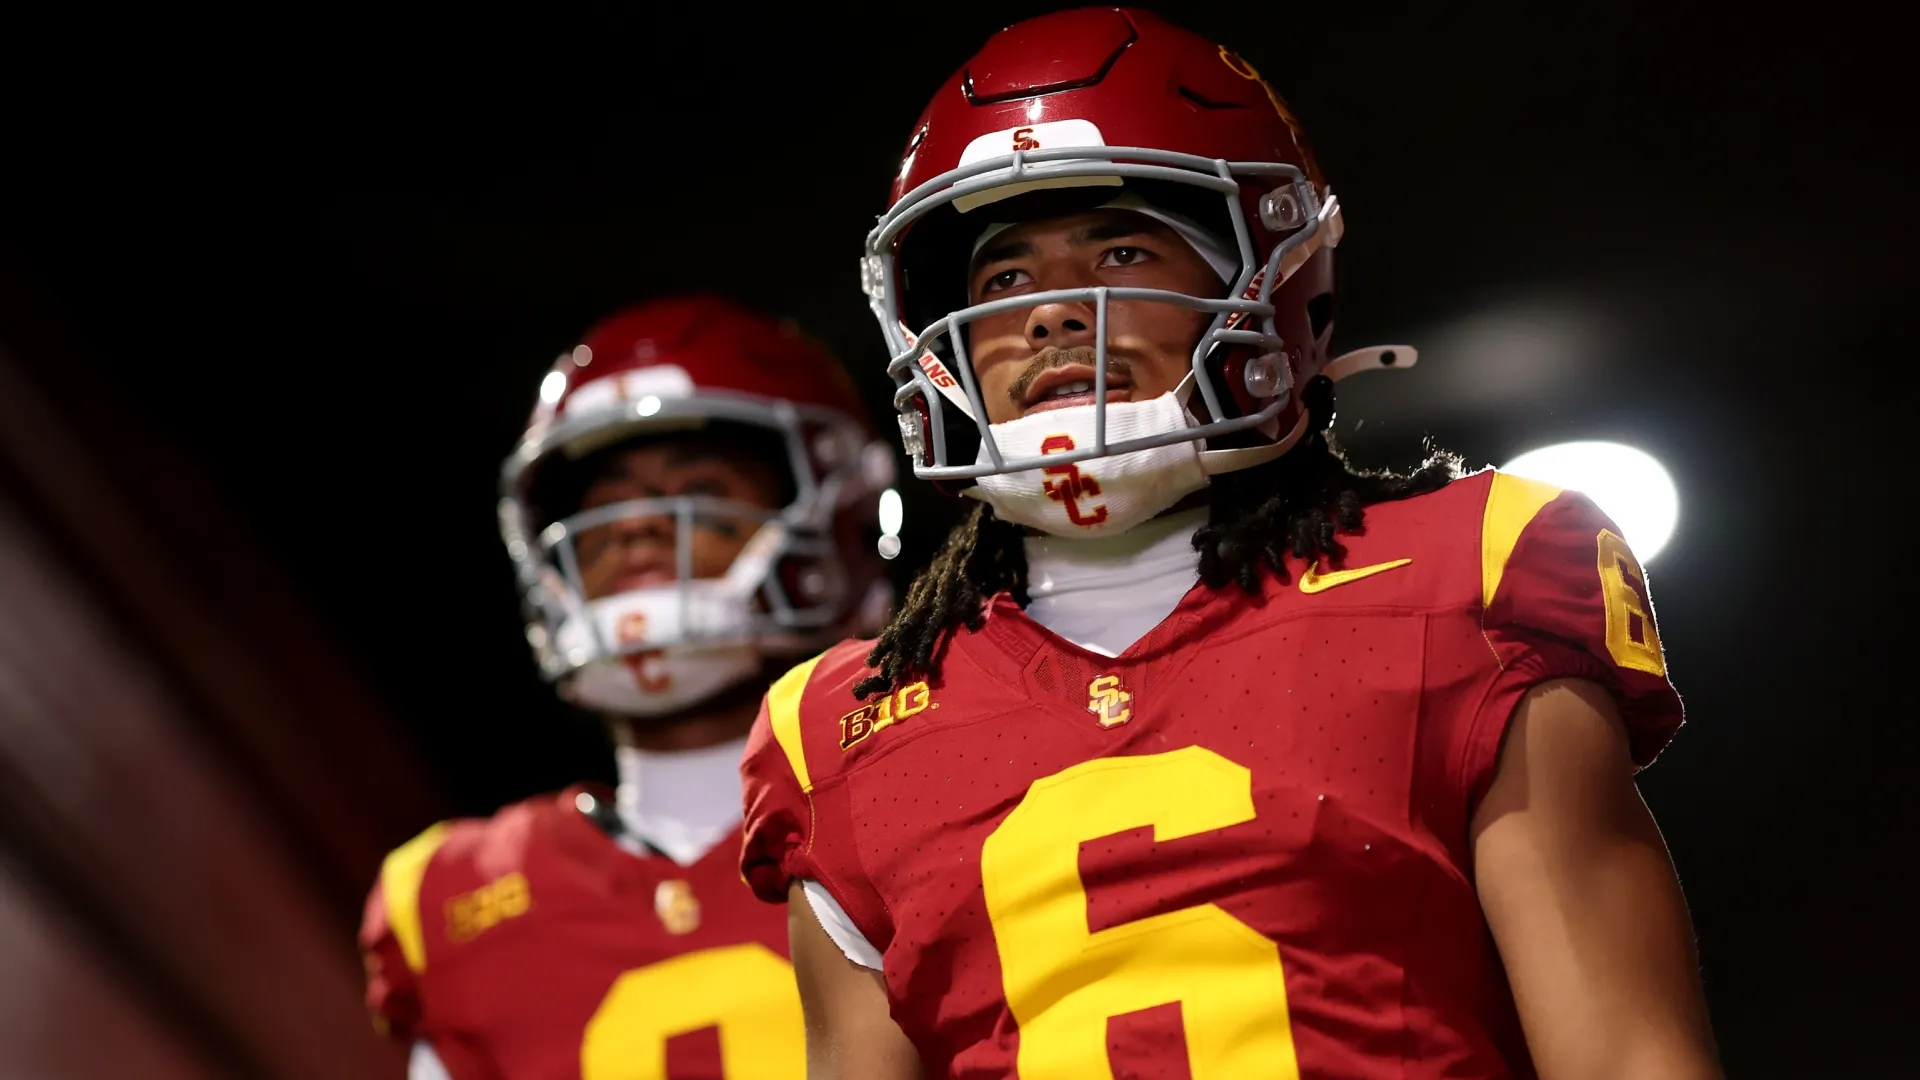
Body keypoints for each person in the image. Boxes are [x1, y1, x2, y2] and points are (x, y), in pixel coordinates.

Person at [740, 8, 1722, 1079]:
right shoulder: (839, 726)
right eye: (1005, 280)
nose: (1054, 315)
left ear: (1270, 273)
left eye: (1119, 250)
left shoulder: (1467, 571)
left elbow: (1626, 1052)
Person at [359, 294, 894, 1080]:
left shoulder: (927, 797)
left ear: (835, 516)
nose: (638, 528)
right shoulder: (449, 896)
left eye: (700, 488)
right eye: (606, 507)